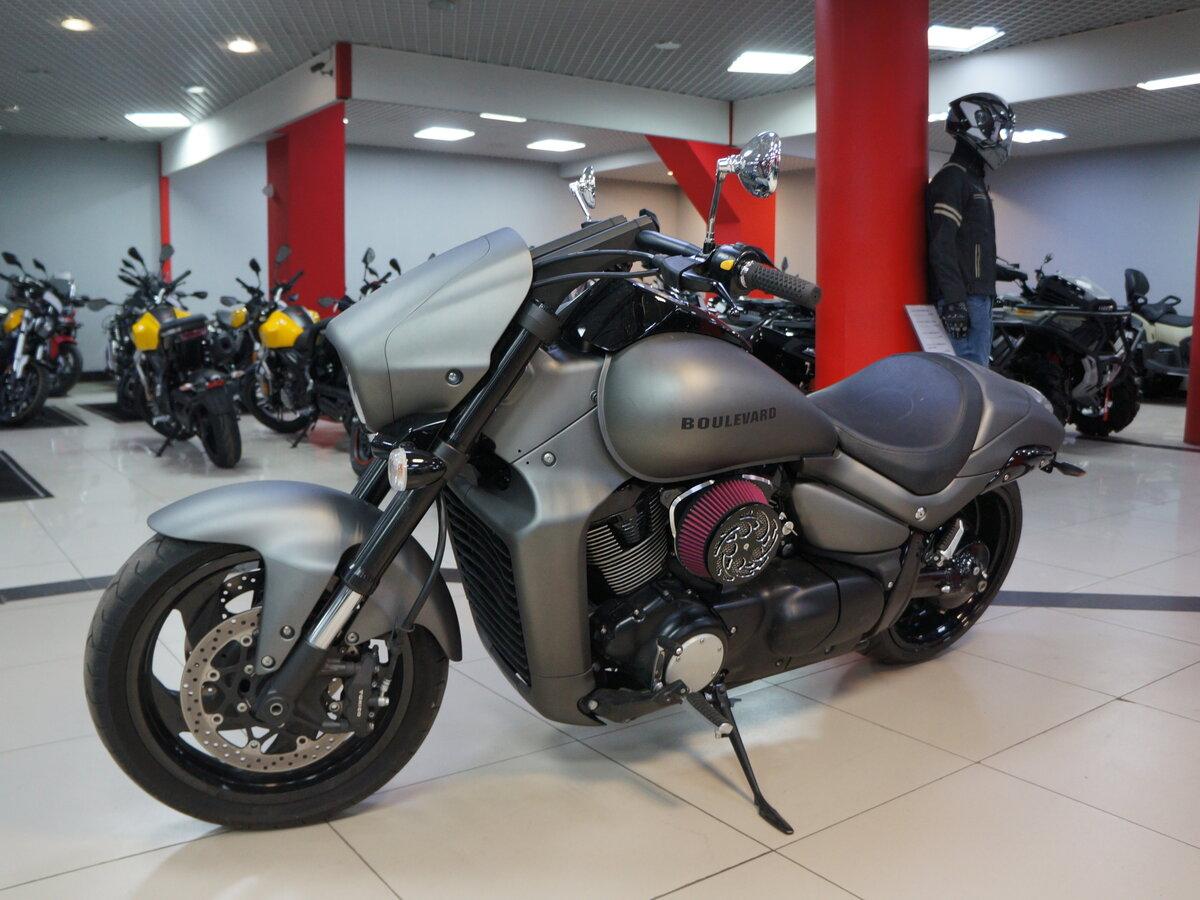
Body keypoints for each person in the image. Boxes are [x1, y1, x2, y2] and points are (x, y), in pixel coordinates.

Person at [926, 92, 1015, 366]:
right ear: (979, 124)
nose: (1001, 138)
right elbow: (941, 245)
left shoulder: (972, 180)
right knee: (968, 380)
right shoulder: (953, 178)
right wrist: (954, 300)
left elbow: (968, 247)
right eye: (998, 130)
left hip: (976, 298)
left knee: (978, 377)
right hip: (965, 300)